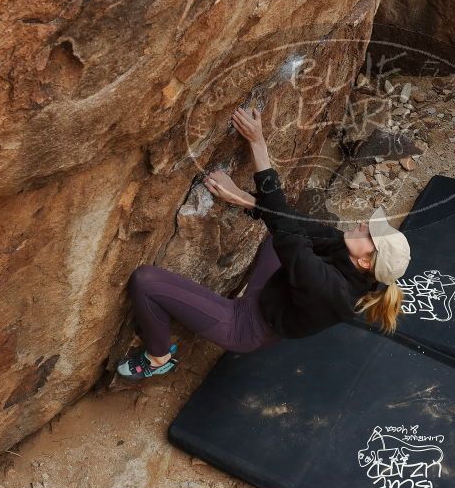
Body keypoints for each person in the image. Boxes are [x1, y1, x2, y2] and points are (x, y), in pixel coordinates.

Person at [117, 107, 411, 380]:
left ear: (364, 262)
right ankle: (254, 291)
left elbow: (287, 229)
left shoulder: (330, 291)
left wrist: (258, 144)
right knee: (281, 238)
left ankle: (159, 358)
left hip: (246, 326)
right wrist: (240, 197)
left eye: (369, 235)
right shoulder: (346, 251)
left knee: (145, 280)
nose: (362, 224)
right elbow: (292, 221)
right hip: (274, 295)